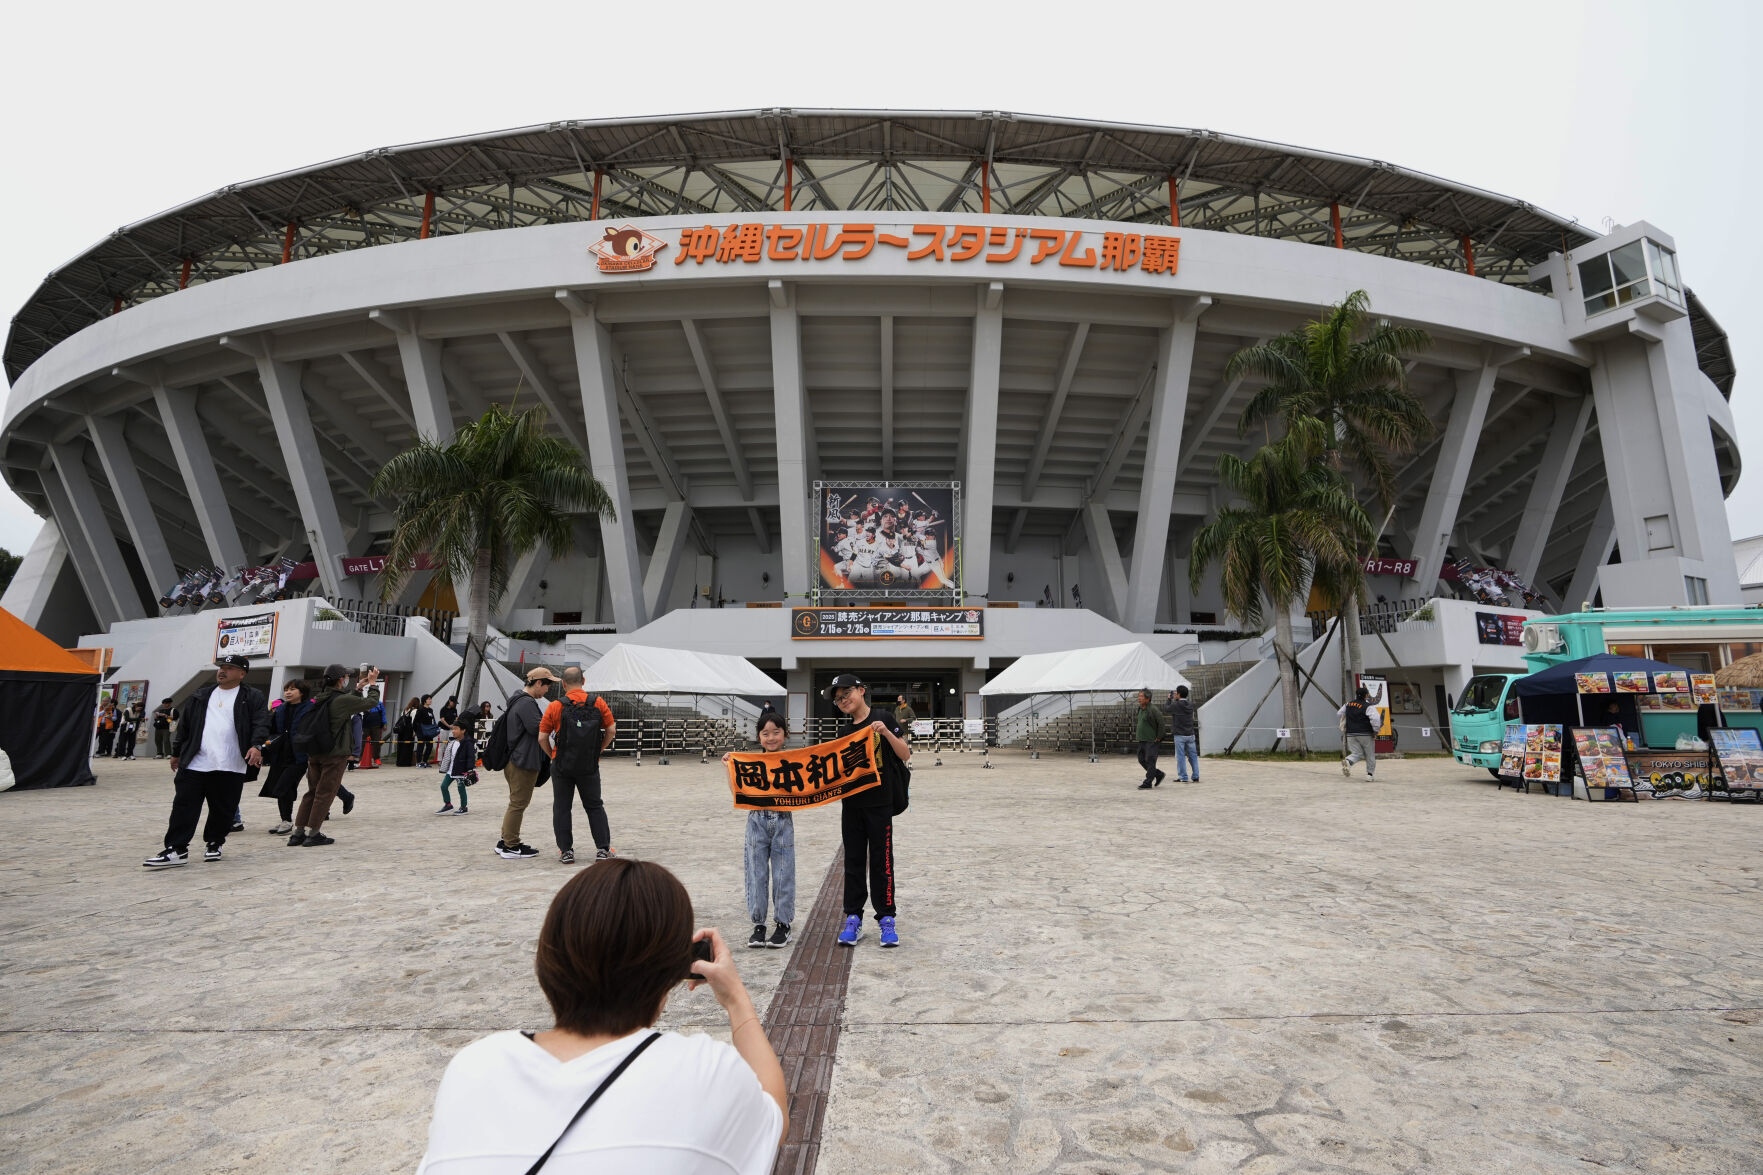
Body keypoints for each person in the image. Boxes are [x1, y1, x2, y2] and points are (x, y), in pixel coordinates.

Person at [415, 858, 785, 1173]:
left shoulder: (473, 1068)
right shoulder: (705, 1071)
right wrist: (735, 997)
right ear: (673, 971)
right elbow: (774, 1117)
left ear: (550, 950)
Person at [144, 654, 267, 867]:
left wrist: (257, 746)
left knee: (223, 808)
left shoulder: (252, 696)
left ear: (242, 673)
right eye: (221, 667)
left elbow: (261, 723)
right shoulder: (200, 695)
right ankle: (176, 849)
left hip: (231, 763)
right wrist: (176, 753)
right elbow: (186, 727)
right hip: (196, 761)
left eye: (229, 668)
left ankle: (214, 842)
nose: (222, 671)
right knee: (184, 805)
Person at [825, 672, 909, 948]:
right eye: (838, 699)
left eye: (846, 694)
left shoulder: (883, 718)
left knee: (882, 862)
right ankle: (853, 918)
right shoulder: (842, 733)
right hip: (851, 805)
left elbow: (905, 754)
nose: (842, 701)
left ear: (861, 691)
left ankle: (886, 919)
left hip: (880, 803)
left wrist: (885, 732)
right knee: (853, 863)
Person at [723, 711, 795, 949]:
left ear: (785, 735)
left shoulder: (796, 760)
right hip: (756, 821)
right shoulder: (750, 763)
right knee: (756, 874)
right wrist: (729, 768)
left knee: (784, 874)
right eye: (765, 733)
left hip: (783, 820)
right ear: (759, 736)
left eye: (776, 732)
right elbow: (738, 794)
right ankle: (759, 924)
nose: (771, 738)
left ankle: (783, 925)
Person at [287, 664, 377, 847]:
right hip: (334, 753)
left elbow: (345, 700)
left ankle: (298, 833)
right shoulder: (340, 700)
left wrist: (358, 688)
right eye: (346, 676)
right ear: (339, 679)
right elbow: (371, 703)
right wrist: (373, 685)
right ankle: (314, 833)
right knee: (325, 793)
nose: (347, 679)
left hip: (315, 751)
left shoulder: (321, 697)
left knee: (311, 792)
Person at [539, 666, 618, 864]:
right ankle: (603, 849)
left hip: (562, 764)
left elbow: (542, 737)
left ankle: (566, 851)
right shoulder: (597, 702)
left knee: (562, 807)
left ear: (563, 684)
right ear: (584, 681)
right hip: (589, 765)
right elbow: (611, 730)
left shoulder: (556, 706)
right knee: (594, 805)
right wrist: (598, 750)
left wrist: (553, 756)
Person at [496, 667, 554, 860]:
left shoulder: (517, 699)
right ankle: (511, 846)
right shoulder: (527, 703)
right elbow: (538, 729)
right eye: (547, 686)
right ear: (538, 683)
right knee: (518, 804)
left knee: (515, 803)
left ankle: (506, 840)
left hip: (514, 759)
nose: (547, 691)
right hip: (523, 761)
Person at [259, 679, 312, 835]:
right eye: (286, 689)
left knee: (283, 788)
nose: (288, 692)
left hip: (299, 757)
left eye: (292, 689)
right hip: (280, 755)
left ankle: (289, 821)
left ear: (302, 692)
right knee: (283, 789)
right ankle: (286, 821)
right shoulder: (280, 709)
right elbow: (272, 729)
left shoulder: (310, 709)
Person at [437, 719, 476, 815]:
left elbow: (471, 757)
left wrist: (470, 769)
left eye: (456, 729)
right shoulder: (452, 742)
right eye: (452, 729)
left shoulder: (468, 743)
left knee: (461, 788)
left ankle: (464, 807)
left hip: (461, 771)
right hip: (451, 770)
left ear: (463, 730)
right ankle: (448, 805)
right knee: (443, 786)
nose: (453, 731)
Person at [1339, 686, 1379, 780]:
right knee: (1369, 754)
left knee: (1357, 753)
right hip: (1365, 733)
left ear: (1356, 695)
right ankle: (1370, 775)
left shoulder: (1348, 704)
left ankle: (1348, 761)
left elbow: (1339, 713)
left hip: (1350, 733)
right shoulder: (1368, 706)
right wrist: (1376, 731)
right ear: (1366, 695)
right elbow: (1375, 719)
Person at [1164, 685, 1199, 783]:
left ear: (1179, 694)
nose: (1174, 694)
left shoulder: (1176, 705)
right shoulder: (1190, 704)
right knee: (1193, 756)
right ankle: (1196, 776)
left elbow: (1167, 709)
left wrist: (1169, 699)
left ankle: (1183, 777)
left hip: (1180, 735)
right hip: (1190, 734)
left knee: (1181, 757)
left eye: (1176, 693)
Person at [1134, 688, 1166, 789]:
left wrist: (1159, 737)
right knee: (1141, 759)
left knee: (1150, 760)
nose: (1139, 698)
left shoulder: (1153, 709)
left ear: (1148, 699)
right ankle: (1158, 774)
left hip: (1152, 740)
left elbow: (1161, 723)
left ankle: (1148, 782)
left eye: (1141, 696)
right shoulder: (1140, 708)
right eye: (1139, 696)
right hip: (1142, 739)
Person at [357, 665, 384, 770]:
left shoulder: (379, 703)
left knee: (376, 741)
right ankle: (359, 758)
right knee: (363, 740)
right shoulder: (362, 700)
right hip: (365, 723)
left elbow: (383, 713)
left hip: (376, 724)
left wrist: (384, 722)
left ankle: (376, 758)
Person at [394, 699, 420, 767]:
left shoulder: (404, 711)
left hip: (401, 731)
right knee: (408, 746)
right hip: (408, 731)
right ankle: (406, 762)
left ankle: (399, 762)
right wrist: (415, 732)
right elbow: (413, 722)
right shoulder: (414, 711)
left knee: (400, 746)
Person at [415, 694, 439, 766]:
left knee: (430, 746)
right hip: (421, 730)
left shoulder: (430, 710)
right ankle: (418, 762)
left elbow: (432, 720)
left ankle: (425, 761)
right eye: (428, 699)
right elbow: (416, 721)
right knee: (421, 746)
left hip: (429, 730)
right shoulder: (421, 709)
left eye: (430, 699)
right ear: (424, 701)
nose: (430, 700)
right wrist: (416, 731)